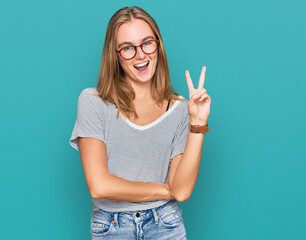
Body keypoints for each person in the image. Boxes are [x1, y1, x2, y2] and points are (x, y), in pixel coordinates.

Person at [69, 6, 211, 240]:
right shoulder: (93, 101)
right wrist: (164, 189)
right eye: (128, 48)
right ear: (114, 54)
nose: (140, 55)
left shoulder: (180, 109)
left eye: (146, 43)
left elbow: (182, 191)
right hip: (111, 226)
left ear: (158, 45)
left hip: (166, 224)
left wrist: (197, 124)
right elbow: (99, 185)